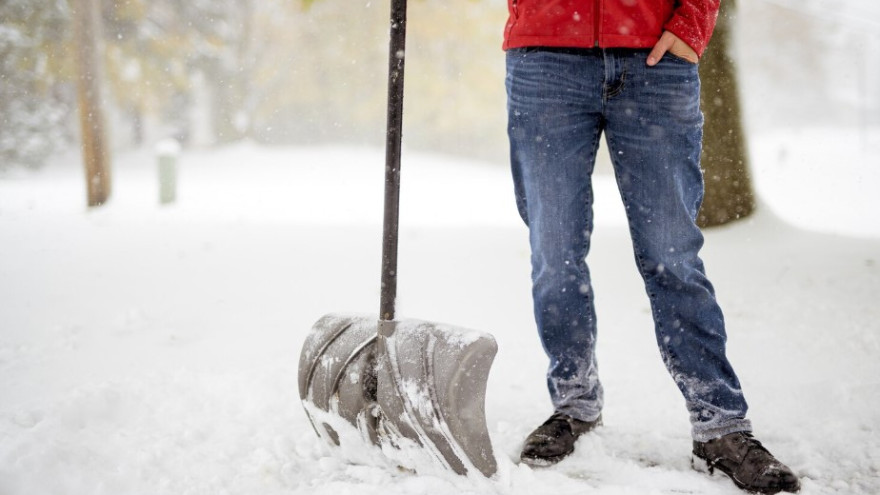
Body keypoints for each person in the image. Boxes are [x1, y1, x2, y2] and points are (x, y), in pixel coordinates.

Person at [503, 1, 800, 493]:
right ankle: (574, 404)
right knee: (554, 254)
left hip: (655, 61)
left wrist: (692, 25)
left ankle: (719, 426)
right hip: (545, 61)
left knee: (672, 256)